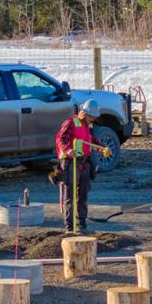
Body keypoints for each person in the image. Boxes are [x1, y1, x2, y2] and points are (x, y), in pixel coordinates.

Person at [55, 100, 111, 233]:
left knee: (83, 194)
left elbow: (90, 140)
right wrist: (68, 149)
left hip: (84, 163)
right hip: (71, 162)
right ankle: (70, 227)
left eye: (94, 117)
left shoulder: (86, 125)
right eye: (91, 116)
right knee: (70, 196)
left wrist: (102, 148)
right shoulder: (71, 123)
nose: (93, 119)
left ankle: (82, 224)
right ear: (84, 113)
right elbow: (61, 139)